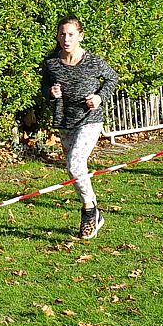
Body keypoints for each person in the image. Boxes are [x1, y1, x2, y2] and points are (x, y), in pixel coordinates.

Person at [41, 15, 118, 239]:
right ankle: (95, 211)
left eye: (71, 34)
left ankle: (89, 210)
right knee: (74, 170)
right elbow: (44, 87)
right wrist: (50, 93)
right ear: (57, 36)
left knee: (75, 165)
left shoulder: (93, 61)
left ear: (80, 36)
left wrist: (99, 97)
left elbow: (112, 79)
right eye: (62, 34)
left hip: (90, 119)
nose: (66, 39)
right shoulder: (51, 63)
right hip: (65, 120)